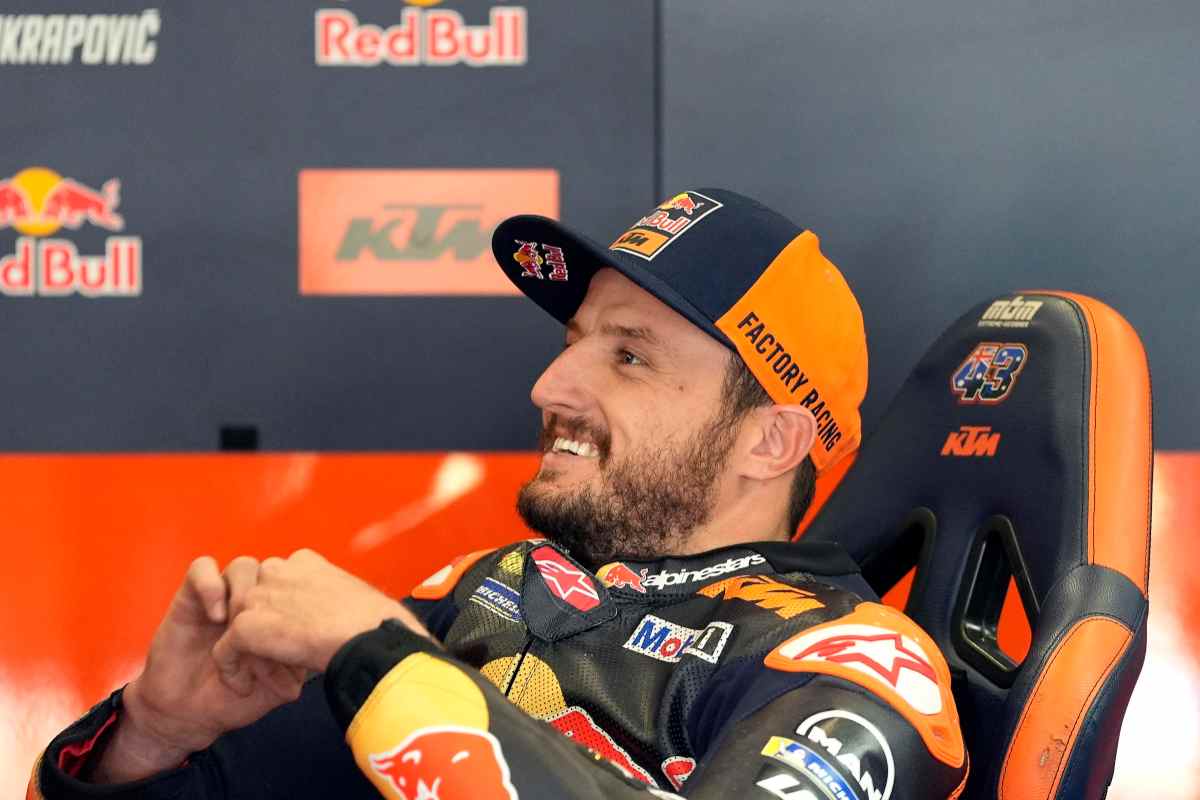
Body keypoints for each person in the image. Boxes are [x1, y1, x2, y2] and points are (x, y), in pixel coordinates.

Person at [30, 189, 968, 800]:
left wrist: (387, 662)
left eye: (629, 357)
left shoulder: (853, 668)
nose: (550, 388)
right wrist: (151, 736)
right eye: (574, 345)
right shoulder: (490, 587)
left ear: (770, 440)